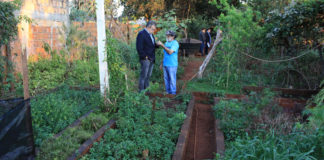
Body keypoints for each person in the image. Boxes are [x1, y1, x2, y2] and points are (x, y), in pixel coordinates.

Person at [136, 21, 158, 92]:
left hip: (152, 58)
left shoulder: (151, 34)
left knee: (148, 76)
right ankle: (141, 92)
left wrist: (157, 45)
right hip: (145, 59)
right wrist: (144, 57)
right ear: (148, 27)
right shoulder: (141, 34)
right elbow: (139, 47)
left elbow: (151, 46)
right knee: (143, 76)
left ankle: (147, 91)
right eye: (153, 29)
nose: (154, 31)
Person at [157, 30, 179, 95]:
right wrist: (162, 63)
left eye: (168, 35)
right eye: (167, 35)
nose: (167, 36)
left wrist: (162, 45)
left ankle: (173, 93)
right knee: (166, 79)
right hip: (165, 64)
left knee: (172, 79)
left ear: (173, 36)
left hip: (172, 65)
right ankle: (168, 92)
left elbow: (170, 52)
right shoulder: (166, 43)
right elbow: (165, 54)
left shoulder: (175, 43)